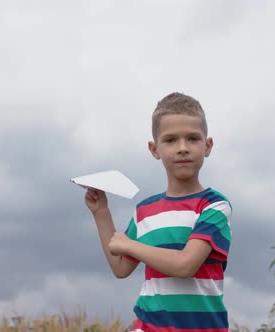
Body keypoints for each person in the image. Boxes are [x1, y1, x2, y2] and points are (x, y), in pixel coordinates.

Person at [85, 92, 232, 332]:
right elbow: (121, 268)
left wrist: (130, 245)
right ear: (154, 149)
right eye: (170, 140)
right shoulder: (145, 210)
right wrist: (101, 213)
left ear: (208, 146)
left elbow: (186, 265)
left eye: (193, 138)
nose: (182, 148)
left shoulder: (214, 206)